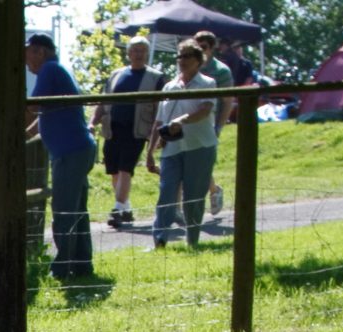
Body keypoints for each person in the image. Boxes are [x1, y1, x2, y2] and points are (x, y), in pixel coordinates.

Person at [24, 33, 94, 279]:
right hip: (78, 149)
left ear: (40, 52)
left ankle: (62, 268)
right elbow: (44, 114)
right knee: (77, 210)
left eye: (27, 54)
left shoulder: (49, 70)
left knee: (63, 210)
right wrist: (25, 135)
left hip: (69, 152)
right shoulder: (57, 69)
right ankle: (82, 264)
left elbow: (33, 105)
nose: (25, 62)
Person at [148, 41, 219, 249]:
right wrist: (150, 152)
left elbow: (205, 110)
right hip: (172, 149)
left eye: (187, 56)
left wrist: (182, 121)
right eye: (180, 56)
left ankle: (192, 241)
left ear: (198, 60)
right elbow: (159, 121)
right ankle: (160, 241)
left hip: (200, 147)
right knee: (166, 193)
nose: (182, 60)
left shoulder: (207, 83)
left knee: (194, 197)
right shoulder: (169, 87)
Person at [99, 36, 158, 228]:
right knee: (114, 170)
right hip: (113, 128)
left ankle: (117, 209)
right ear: (128, 53)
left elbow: (159, 107)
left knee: (126, 168)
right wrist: (93, 122)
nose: (138, 54)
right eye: (135, 50)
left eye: (142, 50)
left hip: (136, 130)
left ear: (147, 53)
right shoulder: (116, 74)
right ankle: (126, 208)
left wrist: (156, 133)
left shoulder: (155, 77)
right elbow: (103, 100)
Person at [193, 30, 235, 232]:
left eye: (203, 47)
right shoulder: (189, 65)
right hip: (189, 120)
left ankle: (212, 191)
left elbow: (227, 101)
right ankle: (210, 191)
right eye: (197, 46)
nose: (200, 51)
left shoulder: (221, 71)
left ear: (212, 48)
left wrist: (219, 126)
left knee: (201, 163)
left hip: (210, 122)